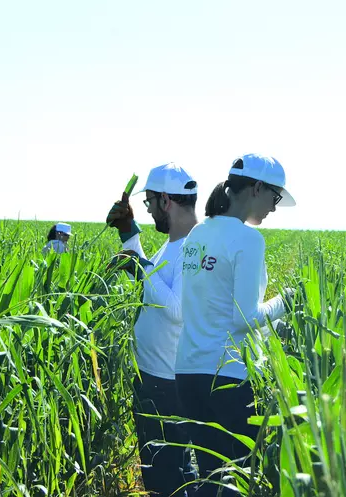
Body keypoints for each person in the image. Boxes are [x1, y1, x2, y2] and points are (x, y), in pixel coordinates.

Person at [175, 153, 296, 497]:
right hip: (227, 375)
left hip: (187, 373)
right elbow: (244, 318)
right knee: (239, 480)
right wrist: (287, 300)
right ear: (257, 188)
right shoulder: (248, 239)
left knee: (210, 477)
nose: (273, 209)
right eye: (273, 198)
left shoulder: (199, 232)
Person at [106, 163, 199, 497]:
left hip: (168, 385)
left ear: (165, 201)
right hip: (155, 379)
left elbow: (175, 309)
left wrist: (138, 265)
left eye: (148, 205)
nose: (149, 212)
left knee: (171, 477)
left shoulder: (194, 247)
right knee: (162, 473)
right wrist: (129, 234)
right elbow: (154, 283)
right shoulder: (173, 246)